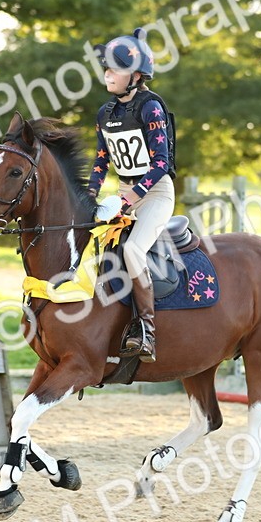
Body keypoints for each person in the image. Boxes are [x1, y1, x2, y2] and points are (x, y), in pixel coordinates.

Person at [87, 28, 176, 362]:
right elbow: (101, 160)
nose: (107, 73)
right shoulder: (105, 113)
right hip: (123, 196)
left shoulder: (150, 107)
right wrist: (89, 197)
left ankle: (147, 331)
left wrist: (129, 199)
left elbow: (161, 163)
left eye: (115, 68)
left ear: (137, 76)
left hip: (154, 194)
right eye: (106, 67)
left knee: (134, 251)